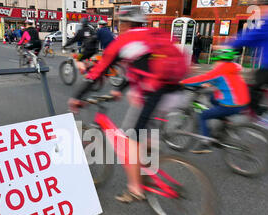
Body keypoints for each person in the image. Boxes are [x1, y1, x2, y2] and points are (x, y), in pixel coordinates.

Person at [68, 5, 189, 202]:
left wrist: (77, 97)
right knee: (144, 132)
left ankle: (135, 189)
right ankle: (148, 165)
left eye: (121, 22)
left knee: (130, 140)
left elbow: (97, 71)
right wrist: (120, 89)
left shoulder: (124, 40)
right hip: (176, 93)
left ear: (124, 23)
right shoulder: (155, 33)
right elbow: (140, 65)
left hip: (156, 94)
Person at [181, 49, 250, 154]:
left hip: (231, 105)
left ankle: (205, 143)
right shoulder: (231, 68)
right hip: (242, 102)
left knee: (203, 115)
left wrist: (183, 82)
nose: (215, 63)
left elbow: (202, 78)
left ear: (221, 60)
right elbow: (225, 81)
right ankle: (223, 121)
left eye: (216, 60)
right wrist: (210, 84)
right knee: (212, 96)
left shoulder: (221, 69)